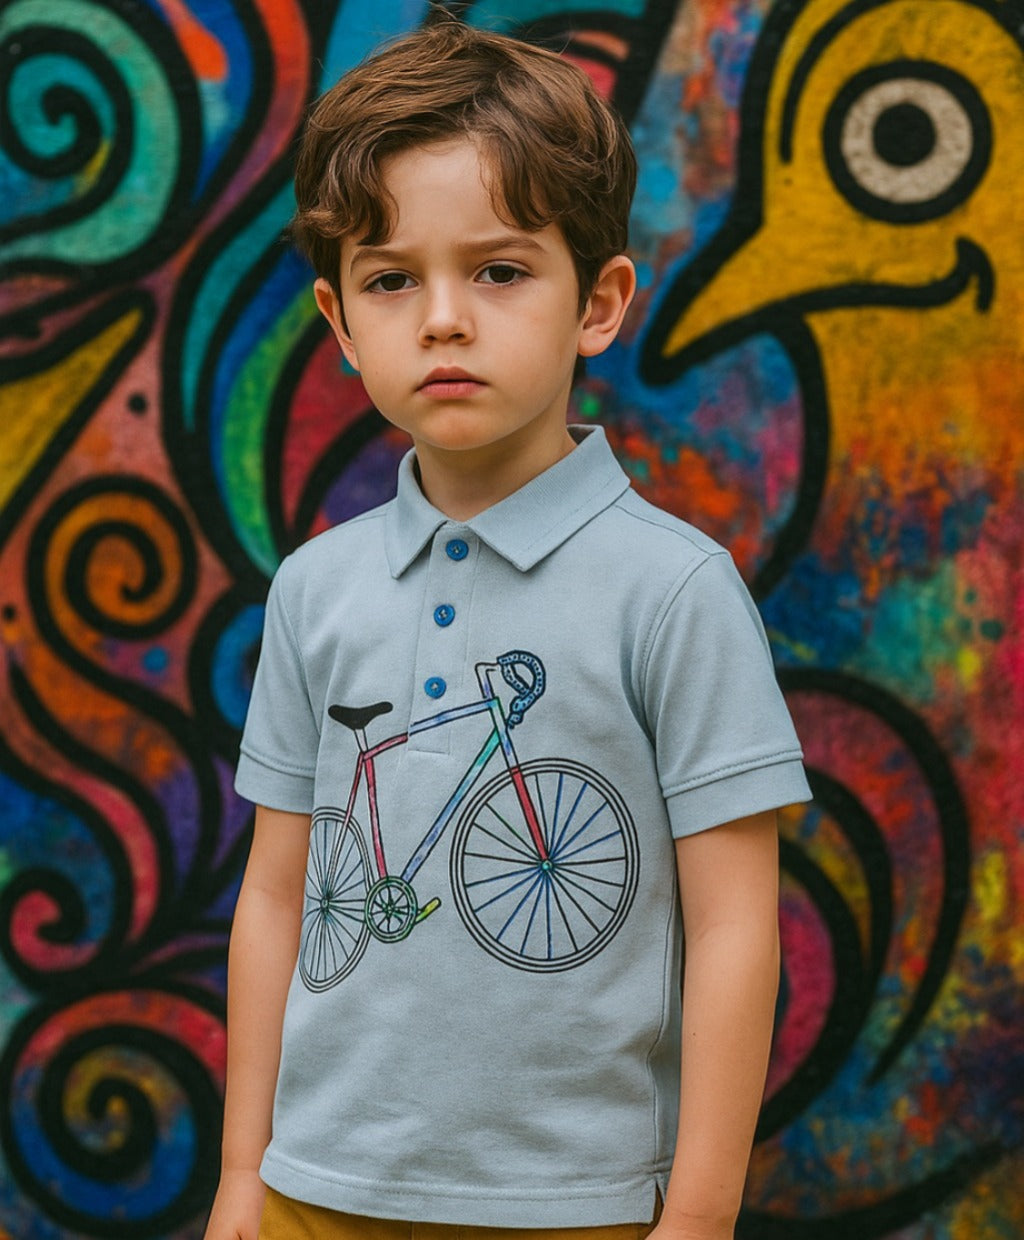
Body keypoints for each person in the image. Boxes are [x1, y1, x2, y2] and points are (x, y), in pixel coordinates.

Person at [204, 18, 811, 1240]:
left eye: (497, 270)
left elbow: (737, 925)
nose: (441, 319)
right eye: (391, 279)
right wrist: (238, 1179)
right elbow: (273, 898)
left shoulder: (674, 592)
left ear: (596, 302)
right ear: (339, 322)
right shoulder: (315, 589)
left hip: (569, 1209)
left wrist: (698, 1217)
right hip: (309, 1195)